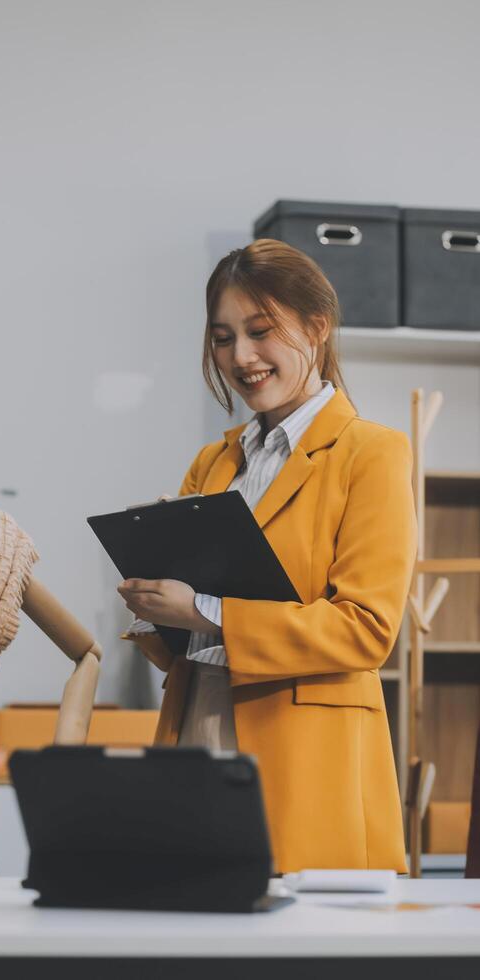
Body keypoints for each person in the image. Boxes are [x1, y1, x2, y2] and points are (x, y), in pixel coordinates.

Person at [118, 239, 416, 872]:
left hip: (310, 753)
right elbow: (189, 634)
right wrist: (157, 601)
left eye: (260, 331)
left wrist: (205, 609)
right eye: (223, 338)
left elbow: (366, 629)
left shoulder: (372, 454)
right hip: (198, 719)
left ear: (317, 325)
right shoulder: (214, 462)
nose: (240, 357)